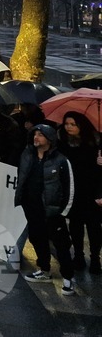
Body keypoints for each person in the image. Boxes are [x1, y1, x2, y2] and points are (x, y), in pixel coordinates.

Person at [15, 124, 77, 295]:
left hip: (52, 212)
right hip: (32, 208)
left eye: (41, 135)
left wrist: (63, 212)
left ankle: (68, 278)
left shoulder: (61, 161)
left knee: (61, 245)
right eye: (35, 134)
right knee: (37, 239)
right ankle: (44, 270)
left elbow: (69, 187)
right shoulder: (27, 155)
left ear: (49, 139)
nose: (36, 137)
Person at [58, 111, 102, 273]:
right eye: (66, 124)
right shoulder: (63, 143)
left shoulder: (95, 143)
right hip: (72, 191)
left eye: (73, 124)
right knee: (75, 225)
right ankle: (78, 255)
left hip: (92, 191)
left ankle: (95, 258)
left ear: (80, 125)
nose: (69, 127)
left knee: (94, 227)